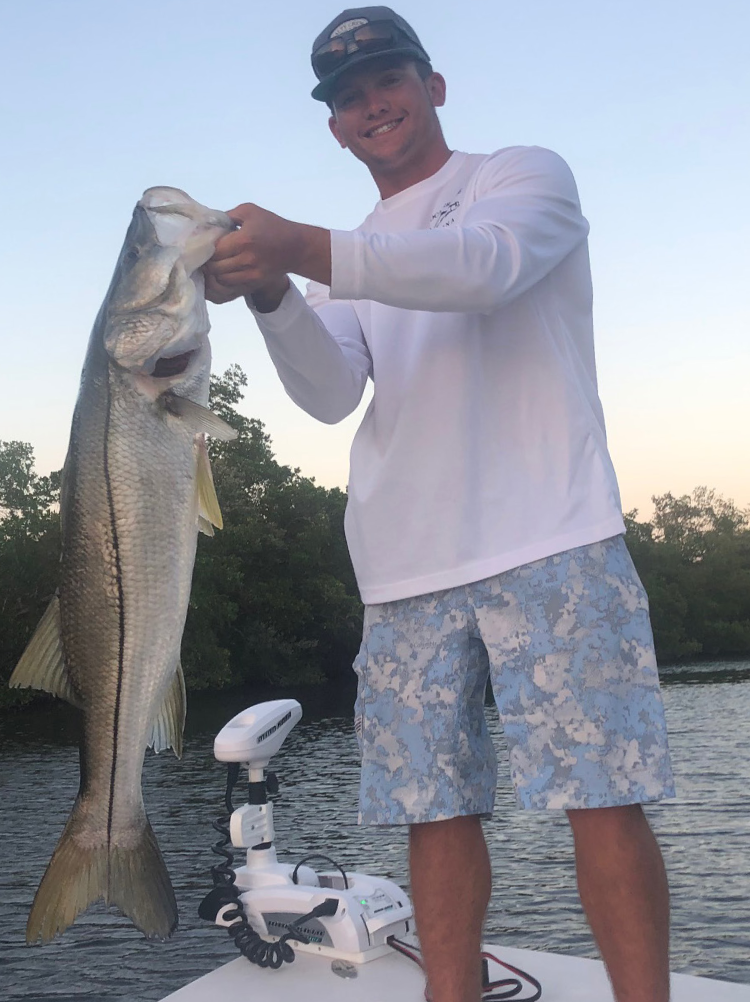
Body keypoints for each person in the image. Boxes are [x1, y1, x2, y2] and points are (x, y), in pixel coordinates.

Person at [203, 8, 675, 1001]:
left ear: (434, 85)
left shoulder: (519, 176)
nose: (372, 104)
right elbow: (331, 392)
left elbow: (486, 268)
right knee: (434, 813)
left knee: (604, 799)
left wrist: (299, 246)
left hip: (555, 538)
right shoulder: (344, 255)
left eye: (389, 79)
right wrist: (273, 292)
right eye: (348, 97)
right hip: (404, 566)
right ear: (334, 127)